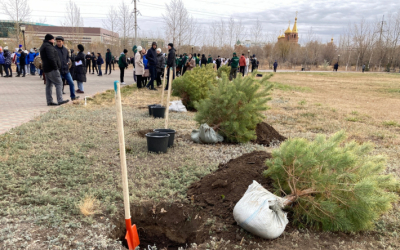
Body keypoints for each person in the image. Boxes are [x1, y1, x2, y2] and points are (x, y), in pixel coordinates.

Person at [40, 34, 69, 106]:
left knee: (49, 85)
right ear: (50, 40)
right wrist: (56, 67)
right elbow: (51, 58)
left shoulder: (44, 46)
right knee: (59, 83)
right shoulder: (48, 47)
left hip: (47, 68)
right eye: (53, 39)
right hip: (51, 69)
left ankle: (49, 101)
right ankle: (60, 100)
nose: (54, 41)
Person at [55, 36, 78, 101]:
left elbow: (68, 57)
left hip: (66, 70)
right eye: (57, 41)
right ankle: (60, 99)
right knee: (59, 85)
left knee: (71, 83)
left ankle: (73, 97)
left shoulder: (65, 50)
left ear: (63, 42)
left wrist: (67, 61)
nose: (58, 43)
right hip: (58, 71)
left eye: (60, 41)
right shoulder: (54, 49)